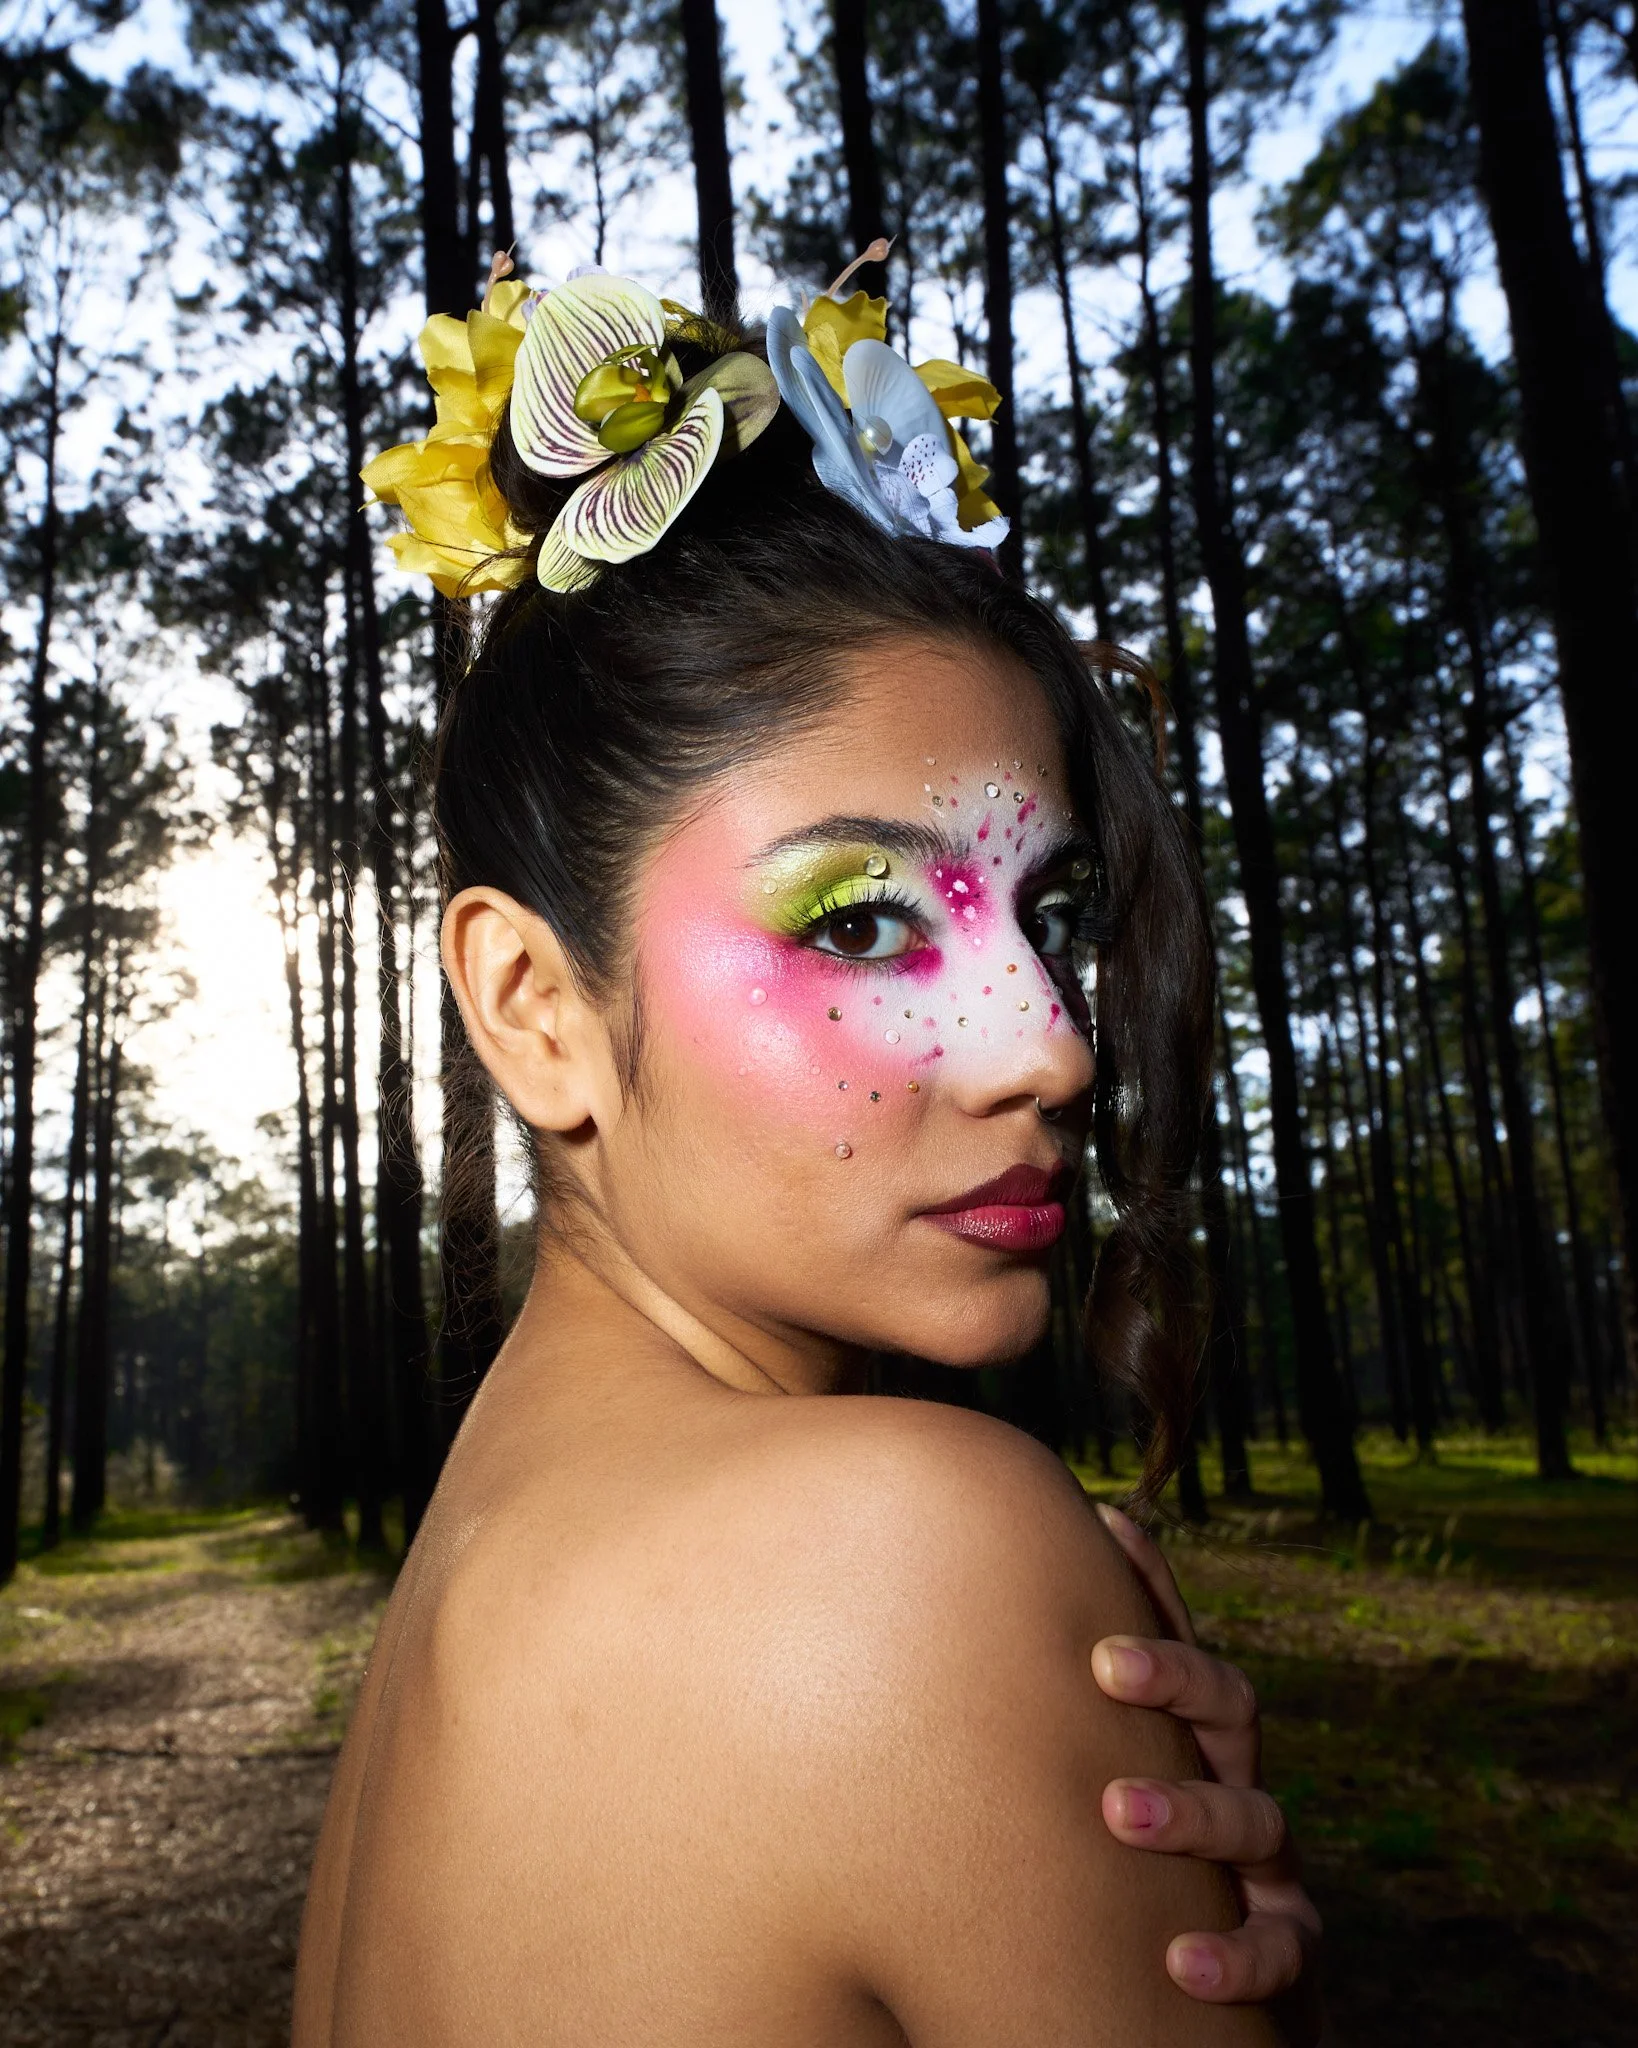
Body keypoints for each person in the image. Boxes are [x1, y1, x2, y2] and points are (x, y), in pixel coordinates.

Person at [293, 263, 1324, 2045]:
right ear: (533, 1008)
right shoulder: (896, 1557)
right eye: (858, 923)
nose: (1051, 1043)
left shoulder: (467, 1586)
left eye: (1045, 915)